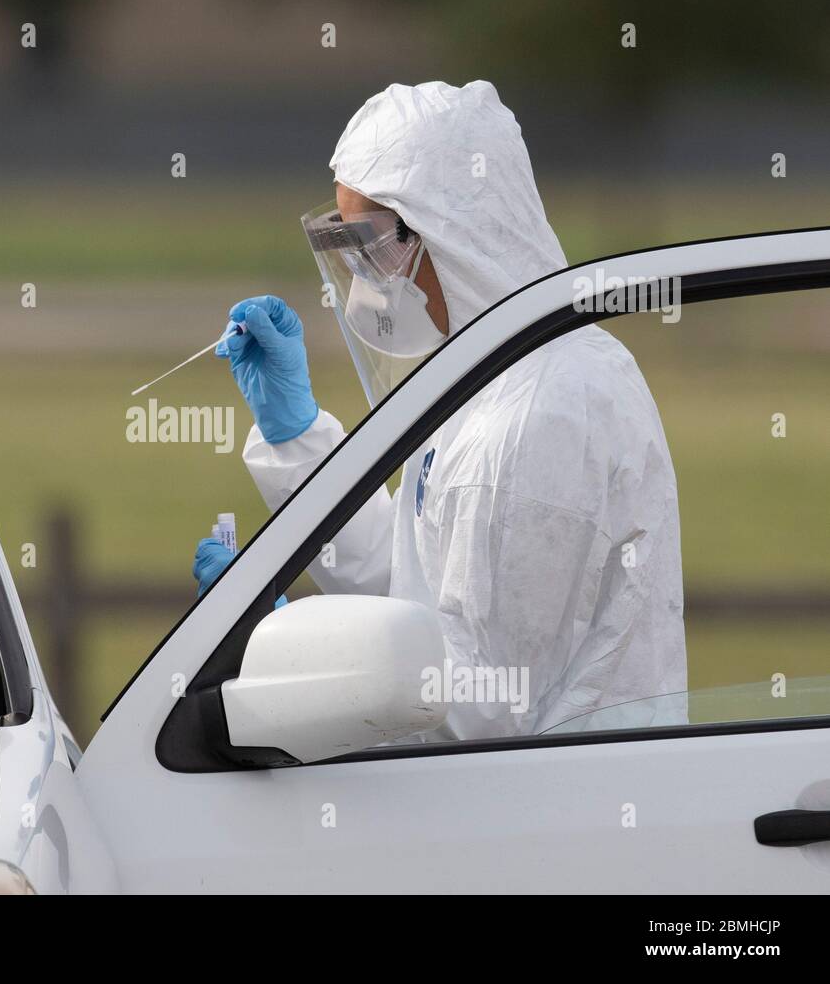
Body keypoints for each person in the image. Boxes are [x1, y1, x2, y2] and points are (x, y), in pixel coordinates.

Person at [194, 80, 685, 738]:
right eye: (348, 251)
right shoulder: (490, 377)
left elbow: (479, 709)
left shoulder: (547, 410)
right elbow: (410, 588)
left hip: (559, 821)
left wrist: (288, 649)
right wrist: (298, 437)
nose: (364, 280)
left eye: (370, 249)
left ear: (453, 233)